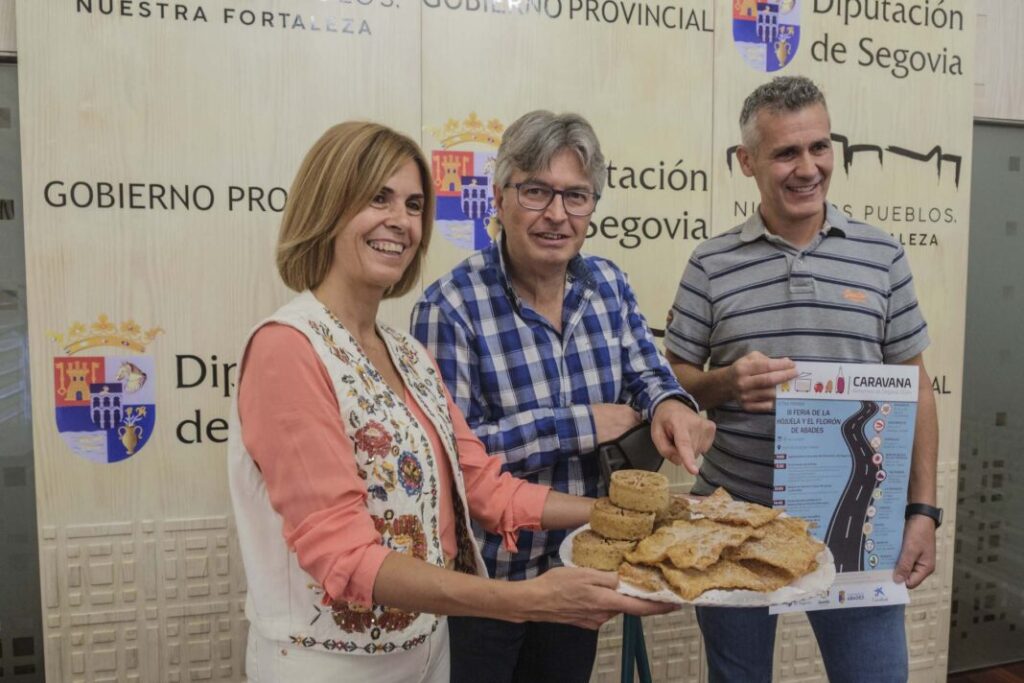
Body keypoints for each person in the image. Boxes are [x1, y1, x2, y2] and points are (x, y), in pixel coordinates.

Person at [227, 121, 671, 683]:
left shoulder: (406, 353)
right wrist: (526, 601)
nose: (400, 220)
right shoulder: (288, 347)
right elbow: (344, 557)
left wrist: (633, 515)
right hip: (331, 664)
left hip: (426, 652)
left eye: (414, 205)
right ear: (327, 207)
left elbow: (484, 488)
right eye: (378, 198)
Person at [412, 110, 715, 683]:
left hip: (583, 565)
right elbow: (451, 458)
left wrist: (671, 405)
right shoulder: (448, 307)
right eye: (536, 191)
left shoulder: (608, 284)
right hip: (489, 585)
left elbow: (649, 375)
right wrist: (580, 424)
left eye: (576, 196)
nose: (557, 214)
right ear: (499, 198)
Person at [664, 76, 940, 683]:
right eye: (786, 152)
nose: (808, 168)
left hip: (855, 520)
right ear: (747, 161)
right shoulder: (710, 263)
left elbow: (917, 388)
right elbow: (673, 378)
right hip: (734, 525)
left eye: (819, 147)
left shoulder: (883, 256)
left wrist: (923, 511)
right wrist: (725, 384)